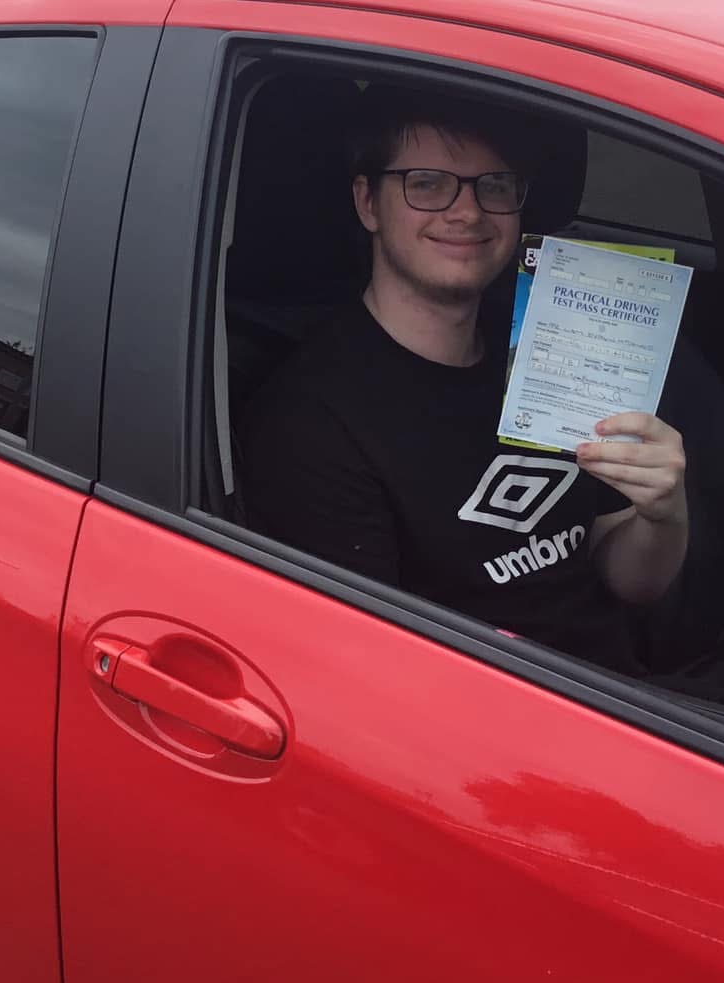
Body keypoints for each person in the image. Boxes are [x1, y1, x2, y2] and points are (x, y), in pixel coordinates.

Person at [241, 89, 688, 675]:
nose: (468, 212)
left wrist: (663, 513)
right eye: (427, 183)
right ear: (368, 203)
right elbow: (368, 671)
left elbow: (626, 578)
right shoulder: (310, 422)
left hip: (631, 699)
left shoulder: (551, 349)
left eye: (495, 186)